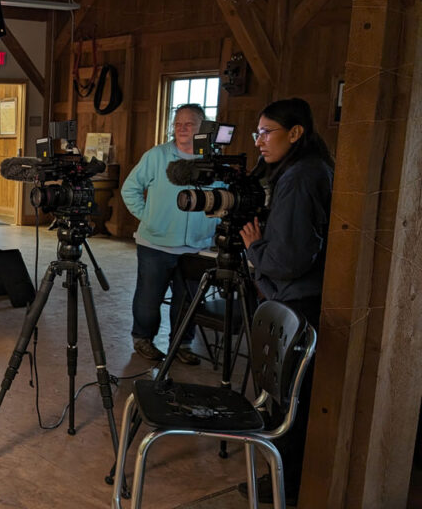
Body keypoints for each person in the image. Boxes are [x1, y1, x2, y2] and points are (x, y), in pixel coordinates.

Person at [238, 97, 333, 505]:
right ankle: (283, 480)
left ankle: (284, 487)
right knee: (294, 398)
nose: (259, 140)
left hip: (296, 305)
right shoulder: (313, 168)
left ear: (295, 133)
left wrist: (255, 249)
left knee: (287, 403)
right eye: (256, 132)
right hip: (302, 300)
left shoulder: (298, 177)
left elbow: (288, 258)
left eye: (266, 131)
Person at [121, 104, 219, 364]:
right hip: (156, 243)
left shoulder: (212, 159)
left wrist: (212, 227)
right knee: (148, 297)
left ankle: (182, 344)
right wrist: (149, 217)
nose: (182, 128)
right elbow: (130, 189)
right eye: (178, 123)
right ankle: (143, 339)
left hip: (197, 246)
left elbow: (221, 198)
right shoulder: (157, 156)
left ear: (203, 127)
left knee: (188, 300)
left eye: (190, 123)